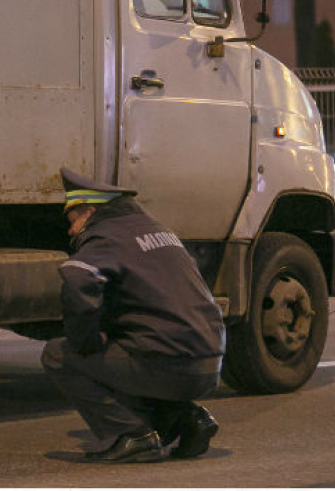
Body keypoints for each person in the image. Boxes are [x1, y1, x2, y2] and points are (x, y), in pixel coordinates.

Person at [42, 168, 225, 463]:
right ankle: (186, 419)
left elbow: (78, 280)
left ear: (89, 210)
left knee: (58, 355)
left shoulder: (106, 236)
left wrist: (84, 341)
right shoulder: (157, 230)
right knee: (129, 351)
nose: (71, 231)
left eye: (72, 220)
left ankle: (132, 436)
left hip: (169, 363)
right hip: (208, 363)